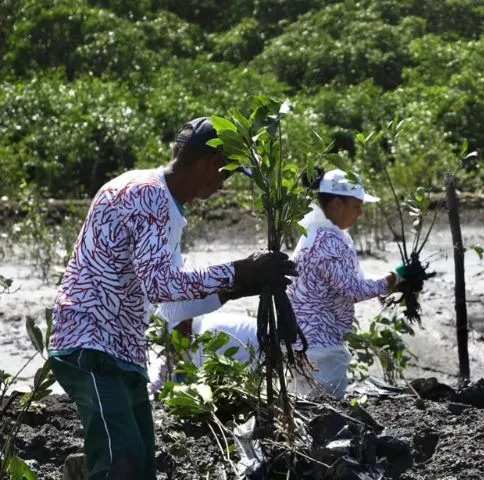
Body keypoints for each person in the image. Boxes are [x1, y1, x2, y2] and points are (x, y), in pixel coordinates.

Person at [47, 117, 295, 480]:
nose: (223, 184)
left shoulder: (152, 193)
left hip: (122, 350)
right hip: (91, 343)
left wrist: (244, 286)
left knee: (142, 463)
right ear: (214, 163)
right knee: (121, 461)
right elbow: (163, 286)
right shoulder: (150, 196)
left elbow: (170, 305)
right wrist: (239, 270)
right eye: (226, 174)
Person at [288, 169, 407, 399]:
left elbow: (345, 280)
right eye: (357, 207)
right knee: (325, 410)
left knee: (308, 407)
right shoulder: (326, 241)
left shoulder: (315, 233)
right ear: (336, 203)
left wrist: (387, 279)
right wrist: (394, 279)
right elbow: (353, 289)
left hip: (305, 341)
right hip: (318, 345)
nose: (359, 214)